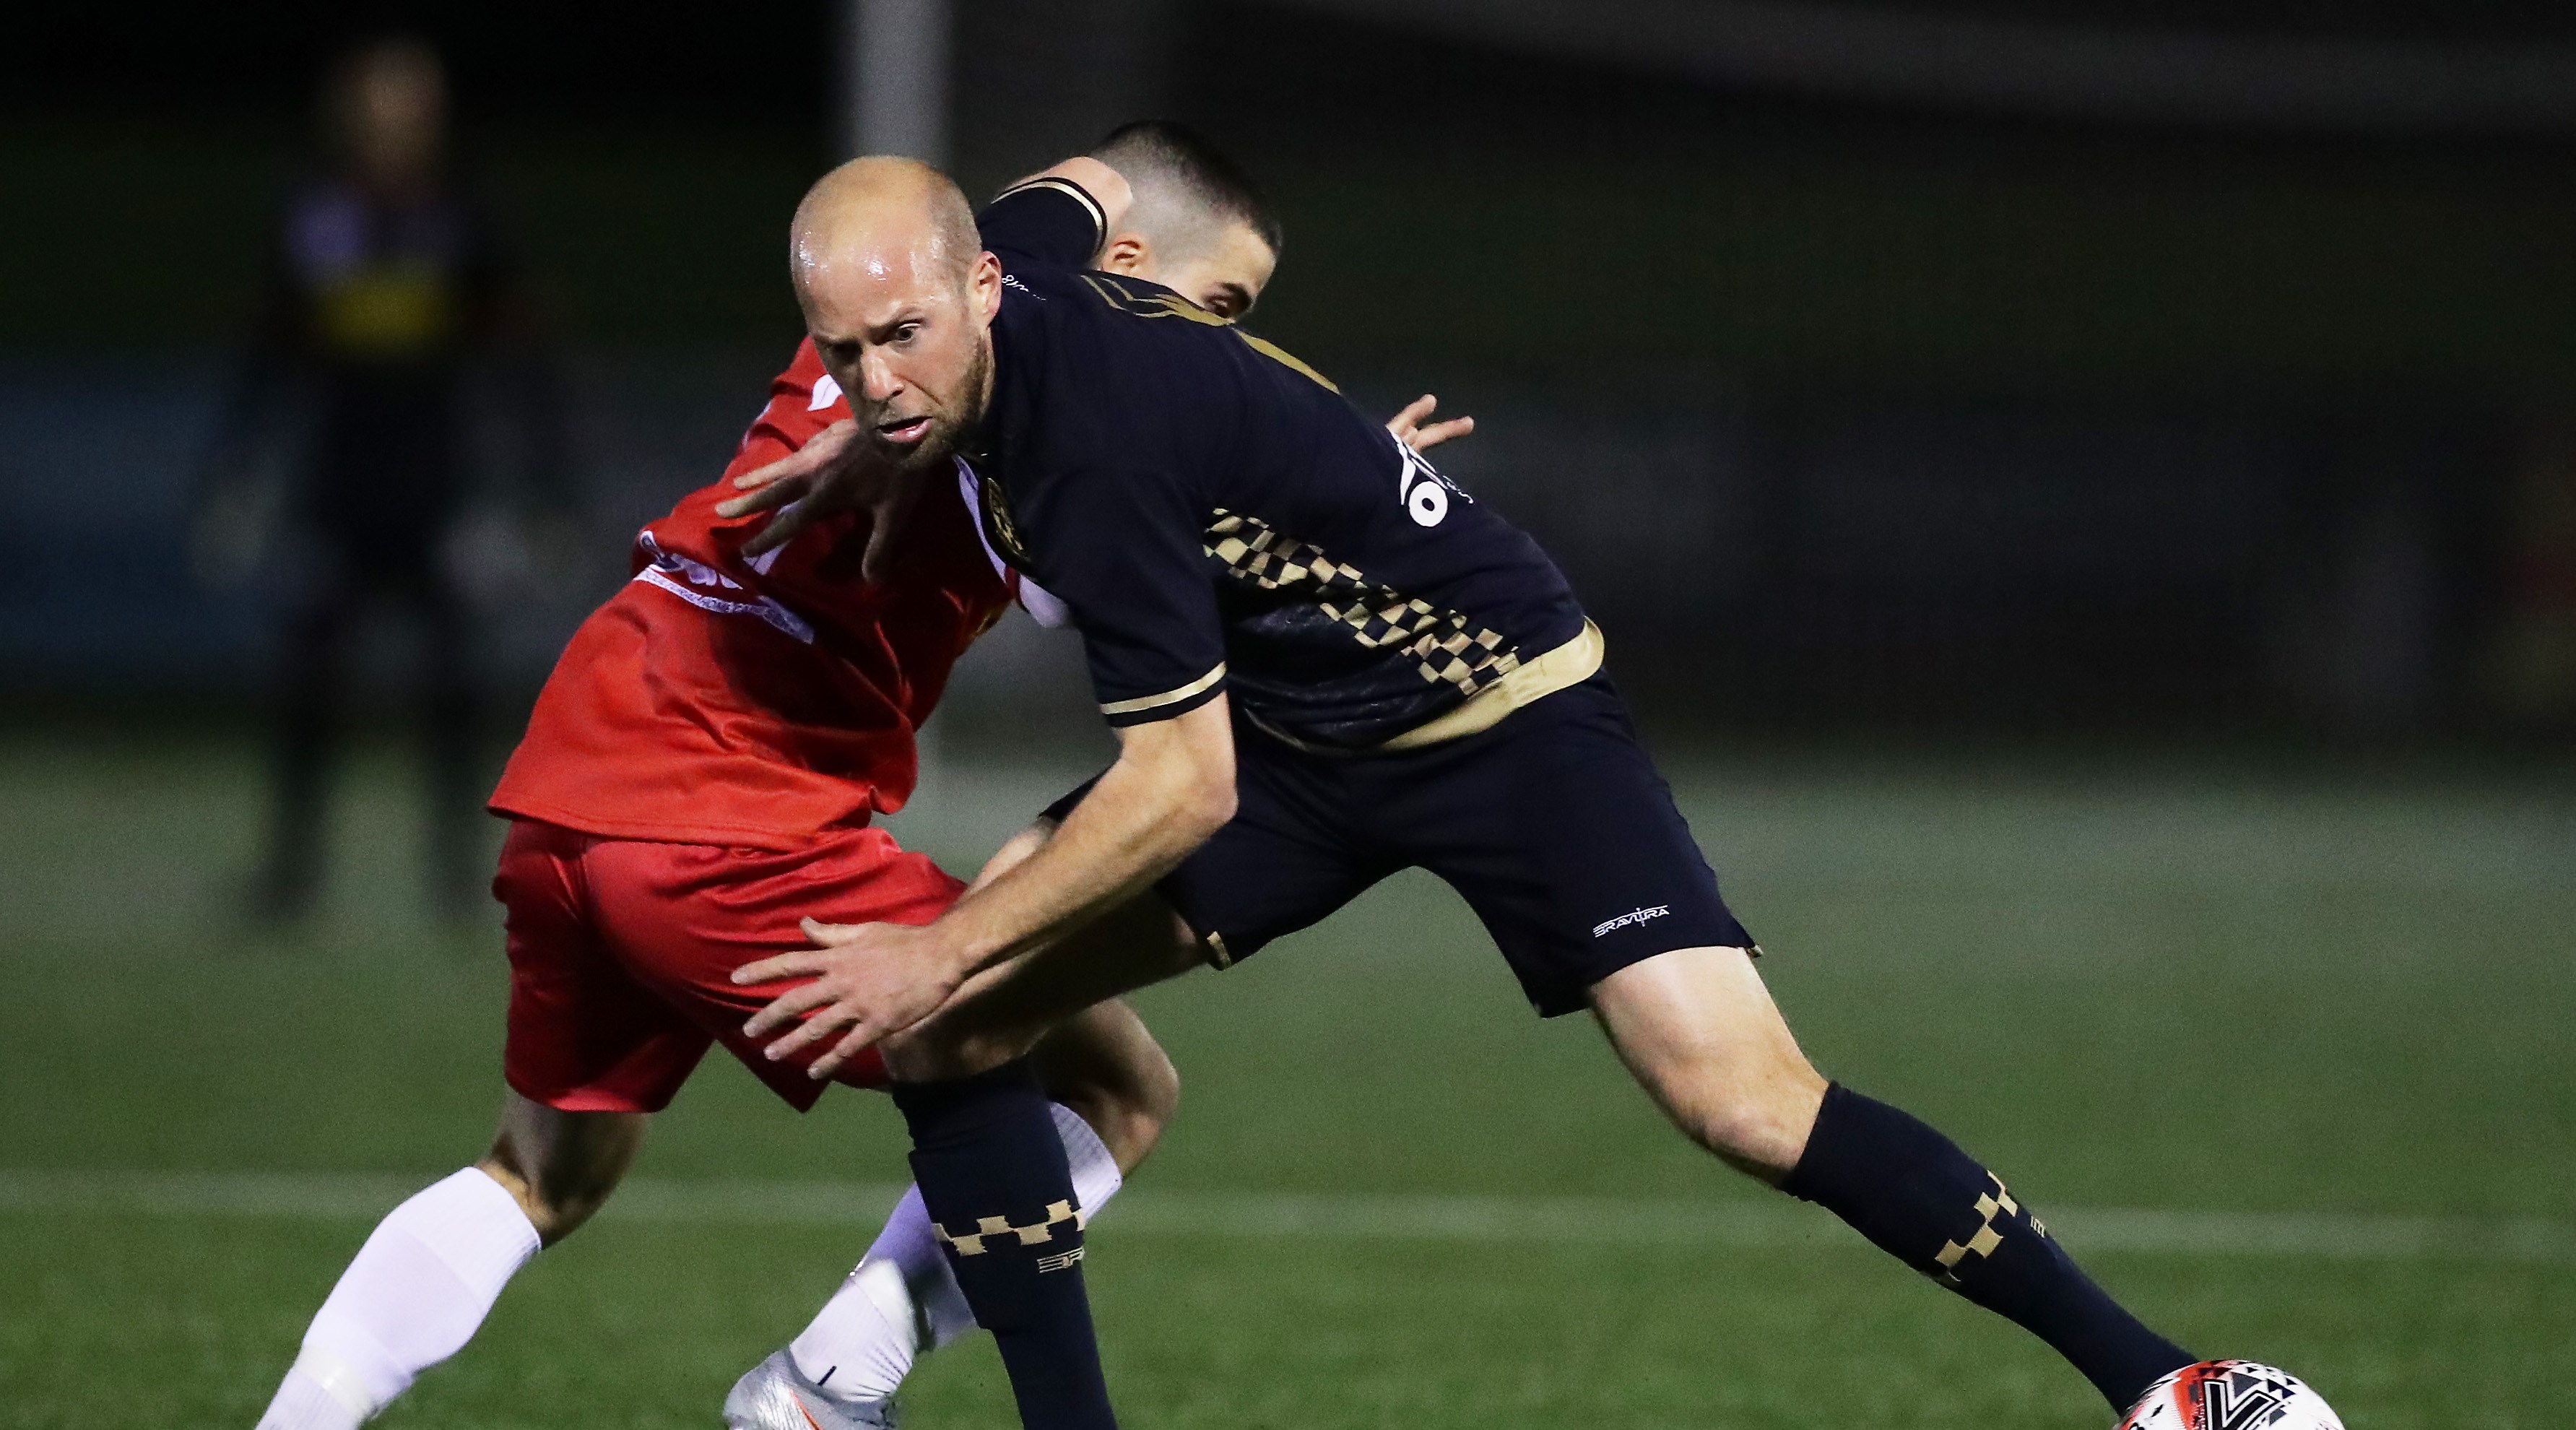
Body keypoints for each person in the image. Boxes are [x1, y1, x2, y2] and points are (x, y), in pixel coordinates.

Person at [727, 154, 2210, 1422]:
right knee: (958, 1023)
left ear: (986, 284)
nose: (876, 377)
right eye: (844, 351)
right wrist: (886, 436)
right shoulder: (1006, 271)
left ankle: (2168, 1386)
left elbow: (1180, 787)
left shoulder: (1089, 456)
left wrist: (937, 943)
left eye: (904, 335)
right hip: (1305, 741)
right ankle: (875, 1380)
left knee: (1745, 1104)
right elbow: (1100, 175)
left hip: (1506, 716)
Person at [246, 124, 1464, 1430]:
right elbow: (1153, 575)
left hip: (583, 759)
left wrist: (1293, 458)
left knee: (546, 1172)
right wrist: (1316, 492)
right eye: (1218, 307)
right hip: (720, 809)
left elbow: (1079, 192)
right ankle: (825, 1390)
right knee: (1112, 1086)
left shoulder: (897, 300)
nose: (1222, 347)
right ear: (1120, 267)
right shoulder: (1044, 412)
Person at [194, 36, 568, 919]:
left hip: (437, 491)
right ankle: (290, 873)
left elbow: (519, 357)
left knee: (453, 685)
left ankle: (457, 875)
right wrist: (233, 469)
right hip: (337, 489)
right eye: (382, 109)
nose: (398, 128)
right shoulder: (313, 218)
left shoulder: (465, 218)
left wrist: (545, 485)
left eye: (415, 109)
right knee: (309, 680)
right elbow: (268, 351)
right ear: (350, 118)